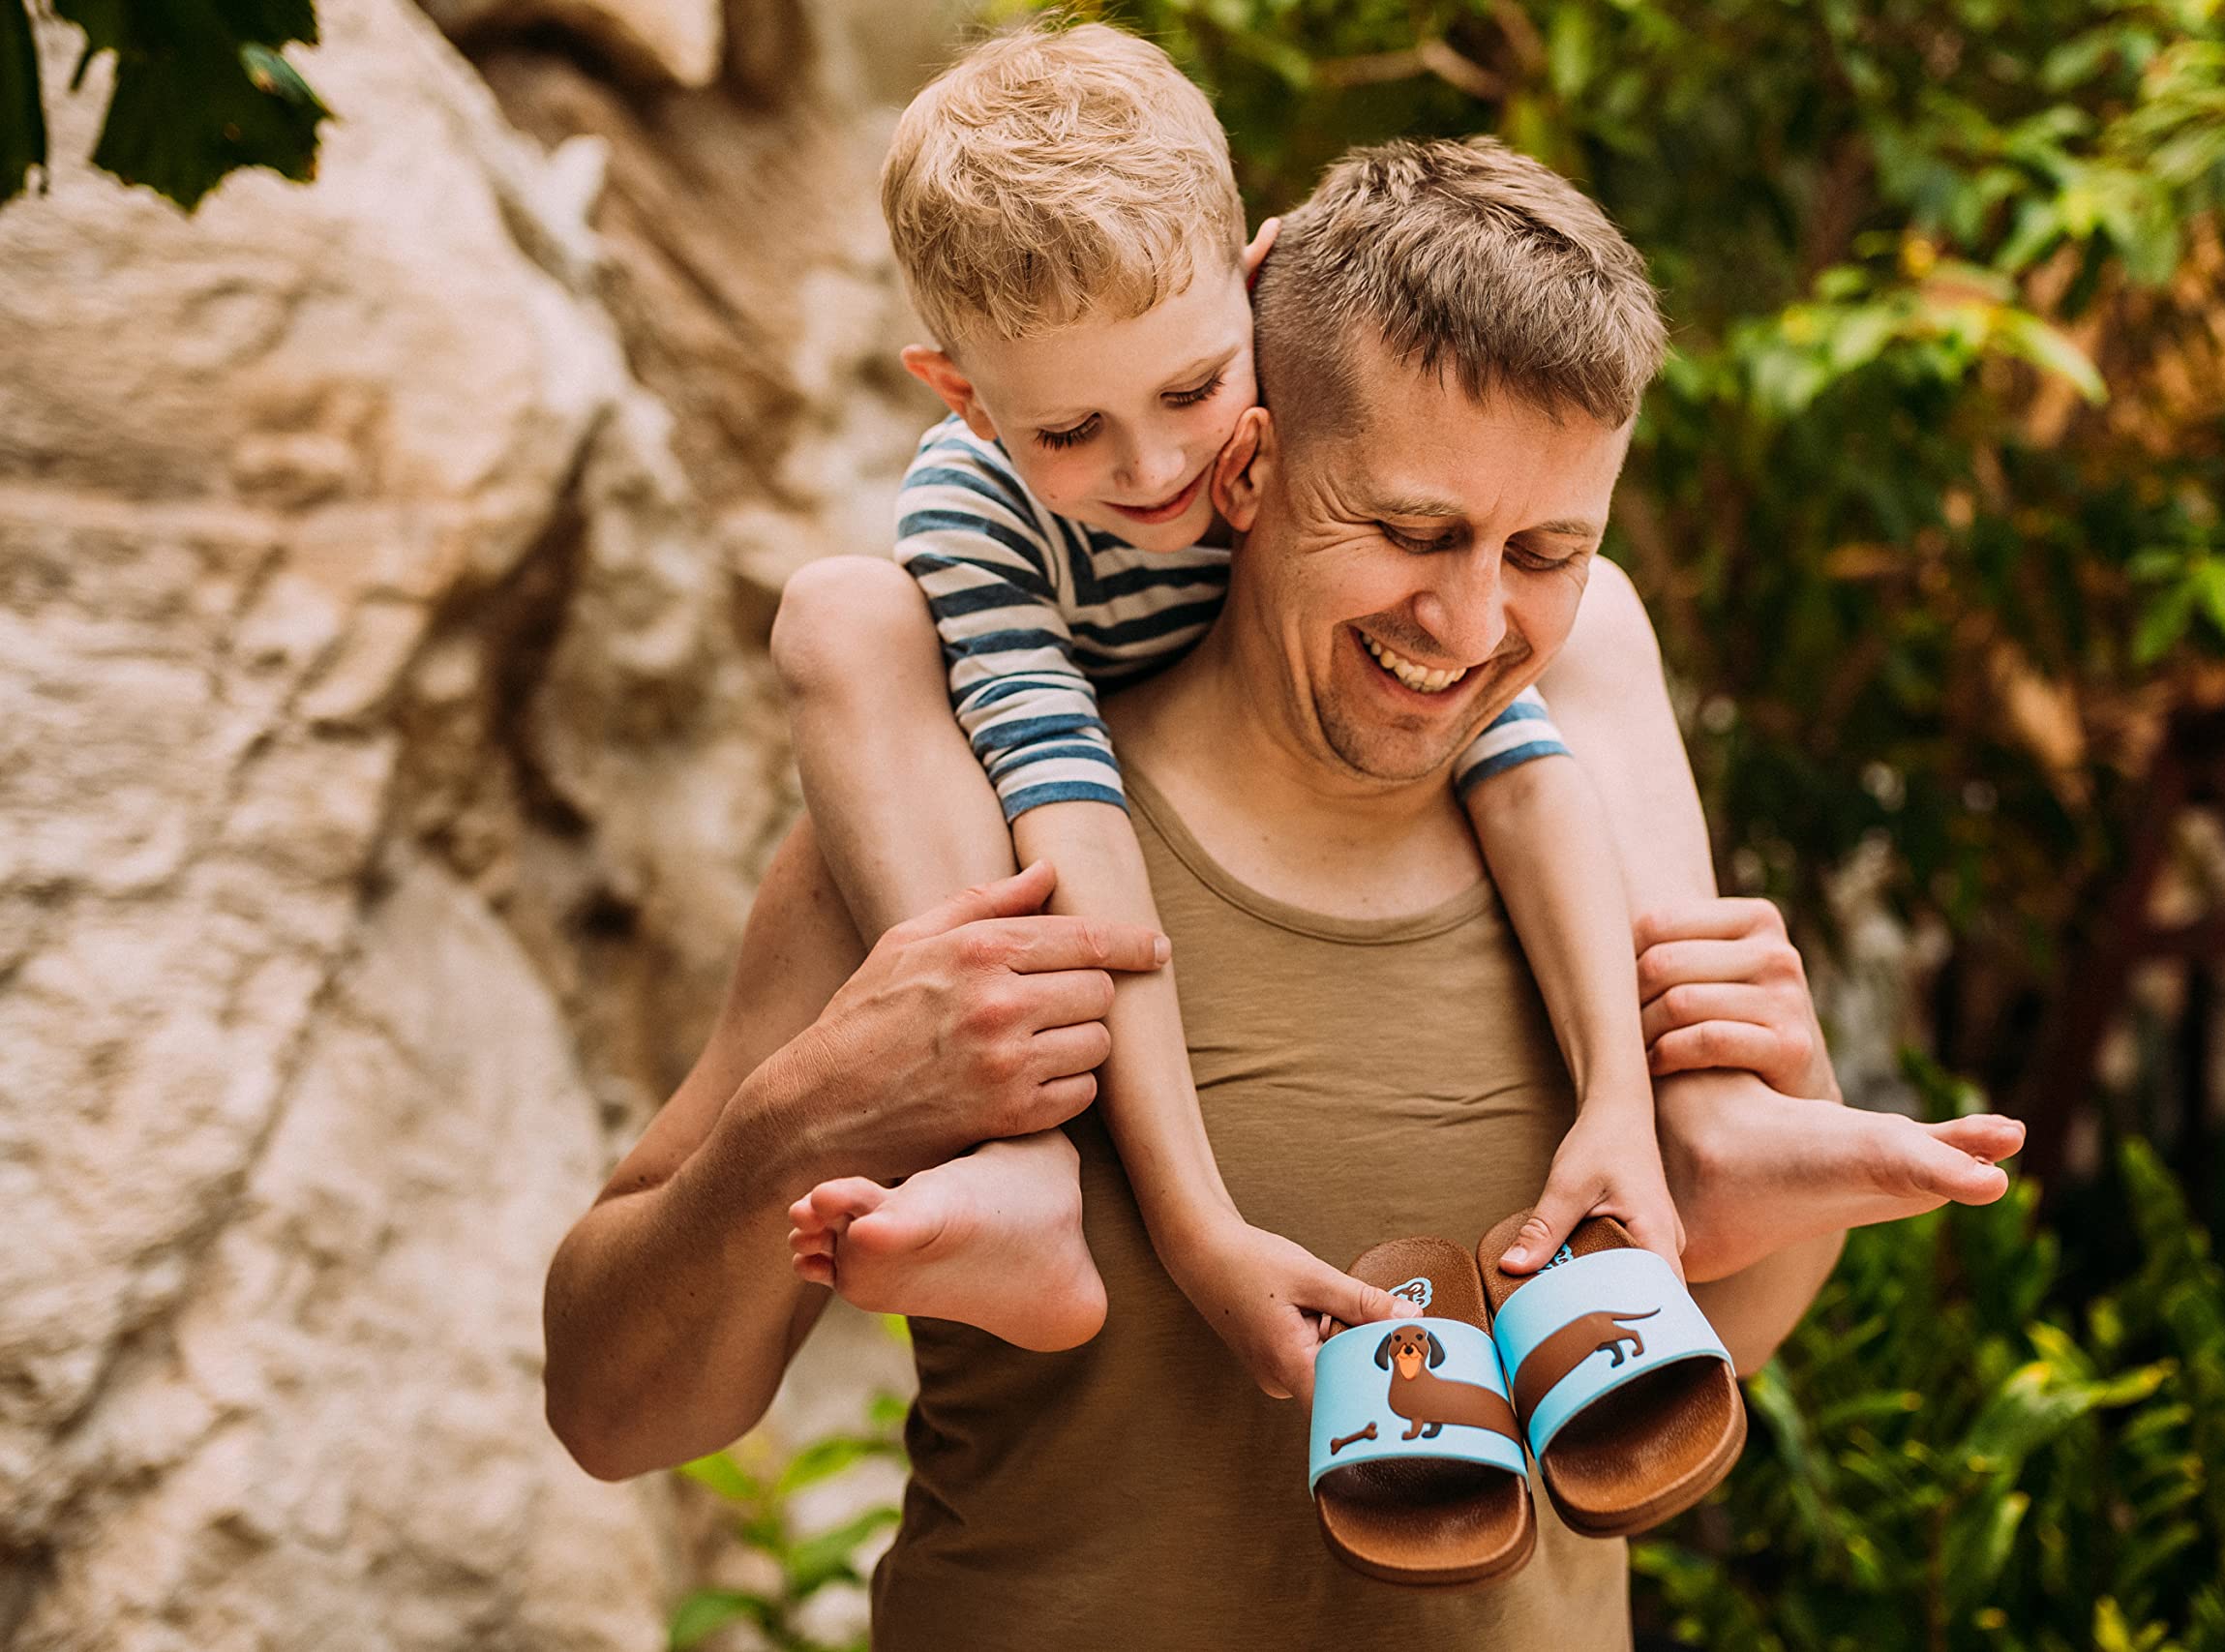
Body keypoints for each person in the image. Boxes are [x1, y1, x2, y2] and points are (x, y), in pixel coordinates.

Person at [542, 135, 2026, 1648]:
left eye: (1548, 552)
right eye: (1411, 531)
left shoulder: (1594, 839)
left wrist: (1779, 1089)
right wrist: (806, 1112)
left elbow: (1721, 1346)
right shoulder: (956, 829)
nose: (1470, 620)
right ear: (1248, 466)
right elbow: (614, 1411)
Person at [766, 20, 1689, 1400]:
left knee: (1589, 602)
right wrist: (1195, 1226)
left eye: (1195, 387)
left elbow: (1518, 749)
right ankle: (1014, 1170)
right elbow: (1064, 793)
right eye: (1068, 430)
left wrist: (1623, 1091)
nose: (1156, 470)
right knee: (839, 612)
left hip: (1289, 751)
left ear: (1251, 290)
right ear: (962, 395)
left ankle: (1712, 1115)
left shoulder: (1309, 439)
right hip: (1066, 798)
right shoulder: (981, 504)